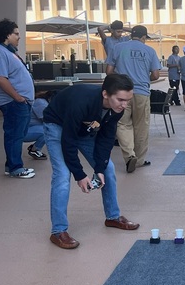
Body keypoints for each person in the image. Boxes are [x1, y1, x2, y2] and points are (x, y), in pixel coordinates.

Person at [42, 74, 140, 249]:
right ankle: (58, 231)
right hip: (57, 125)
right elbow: (68, 141)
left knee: (108, 168)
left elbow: (106, 139)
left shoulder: (117, 109)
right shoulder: (81, 102)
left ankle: (113, 217)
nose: (124, 105)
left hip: (83, 129)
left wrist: (99, 168)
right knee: (62, 175)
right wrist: (80, 175)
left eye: (128, 100)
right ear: (105, 94)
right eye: (120, 100)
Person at [105, 25, 161, 172]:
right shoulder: (149, 51)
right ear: (143, 37)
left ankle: (130, 155)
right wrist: (144, 79)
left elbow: (109, 71)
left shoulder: (118, 48)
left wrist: (121, 81)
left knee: (122, 124)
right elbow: (156, 75)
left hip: (122, 93)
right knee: (141, 126)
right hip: (142, 92)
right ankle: (139, 160)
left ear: (131, 35)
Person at [0, 18, 35, 179]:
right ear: (7, 35)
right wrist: (18, 98)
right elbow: (0, 78)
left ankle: (11, 166)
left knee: (17, 134)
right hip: (13, 102)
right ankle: (16, 168)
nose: (19, 37)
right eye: (16, 33)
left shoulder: (8, 52)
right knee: (15, 135)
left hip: (19, 102)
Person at [23, 90, 54, 160]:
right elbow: (47, 120)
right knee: (48, 130)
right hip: (25, 132)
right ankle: (34, 150)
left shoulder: (43, 101)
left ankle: (34, 148)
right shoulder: (41, 103)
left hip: (30, 128)